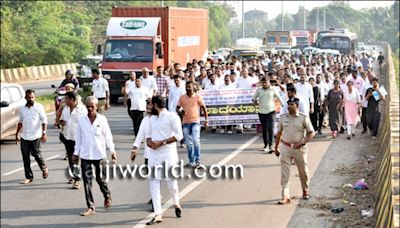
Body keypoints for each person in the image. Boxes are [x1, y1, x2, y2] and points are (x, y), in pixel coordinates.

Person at [72, 96, 117, 216]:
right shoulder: (82, 120)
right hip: (86, 155)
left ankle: (107, 195)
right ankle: (90, 206)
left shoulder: (102, 120)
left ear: (97, 106)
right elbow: (78, 138)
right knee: (87, 182)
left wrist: (112, 151)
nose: (90, 108)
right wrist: (76, 153)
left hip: (99, 154)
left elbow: (108, 136)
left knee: (100, 179)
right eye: (88, 107)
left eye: (92, 106)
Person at [145, 96, 183, 225]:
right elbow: (148, 136)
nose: (149, 107)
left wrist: (162, 142)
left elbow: (179, 135)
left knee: (172, 184)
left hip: (168, 155)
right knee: (154, 184)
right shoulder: (151, 119)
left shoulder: (172, 117)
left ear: (155, 105)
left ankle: (176, 203)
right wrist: (150, 142)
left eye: (150, 105)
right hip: (154, 156)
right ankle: (158, 213)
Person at [274, 97, 315, 205]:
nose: (289, 106)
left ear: (297, 106)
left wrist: (302, 142)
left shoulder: (303, 118)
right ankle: (285, 195)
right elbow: (279, 133)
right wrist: (276, 147)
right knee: (285, 173)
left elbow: (311, 133)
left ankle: (305, 190)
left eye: (292, 104)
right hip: (286, 147)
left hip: (299, 148)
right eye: (288, 104)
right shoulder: (283, 118)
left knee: (303, 172)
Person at [15, 89, 49, 184]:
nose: (31, 99)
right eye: (29, 97)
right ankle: (29, 177)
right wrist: (17, 133)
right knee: (25, 157)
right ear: (25, 97)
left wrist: (44, 133)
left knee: (36, 154)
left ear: (35, 97)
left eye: (32, 97)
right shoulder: (22, 109)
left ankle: (44, 167)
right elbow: (20, 122)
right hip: (25, 136)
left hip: (36, 135)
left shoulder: (39, 107)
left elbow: (44, 120)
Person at [176, 81, 208, 168]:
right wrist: (180, 112)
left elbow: (204, 108)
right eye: (187, 87)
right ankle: (191, 161)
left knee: (196, 141)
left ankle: (197, 161)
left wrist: (206, 120)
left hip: (195, 122)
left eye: (189, 87)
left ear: (194, 87)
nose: (188, 88)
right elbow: (177, 108)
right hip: (185, 123)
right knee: (189, 143)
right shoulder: (182, 97)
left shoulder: (198, 97)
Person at [59, 91, 87, 189]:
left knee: (76, 159)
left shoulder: (82, 109)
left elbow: (86, 124)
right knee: (71, 158)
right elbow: (62, 119)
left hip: (78, 138)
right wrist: (61, 122)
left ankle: (77, 180)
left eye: (66, 98)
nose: (64, 100)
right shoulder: (65, 109)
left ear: (72, 99)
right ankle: (74, 175)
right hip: (68, 137)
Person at [252, 77, 283, 153]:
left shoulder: (273, 89)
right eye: (263, 82)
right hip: (261, 111)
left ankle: (271, 145)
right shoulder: (259, 89)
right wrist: (255, 101)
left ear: (269, 82)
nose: (264, 84)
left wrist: (284, 107)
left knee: (270, 128)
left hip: (271, 111)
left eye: (266, 82)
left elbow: (280, 99)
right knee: (264, 129)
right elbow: (254, 98)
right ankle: (266, 145)